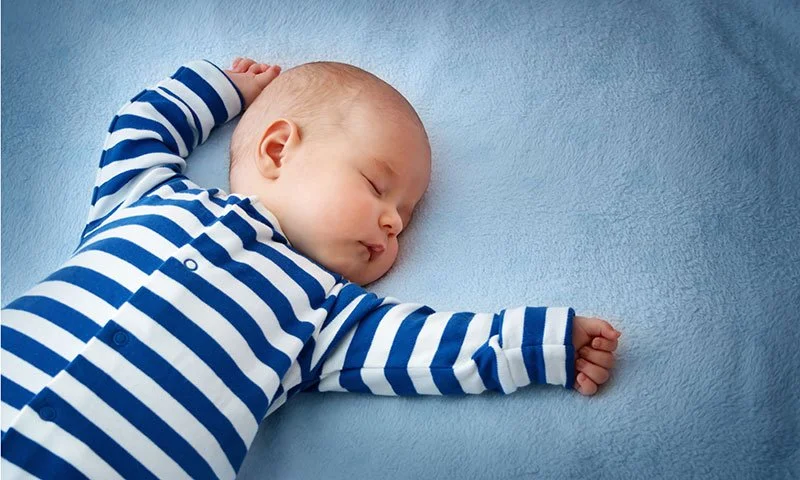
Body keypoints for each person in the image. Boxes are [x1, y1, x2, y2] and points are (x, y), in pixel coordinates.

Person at [0, 56, 621, 479]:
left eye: (405, 213)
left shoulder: (326, 313)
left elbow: (432, 349)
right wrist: (218, 87)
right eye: (379, 186)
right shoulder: (149, 197)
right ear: (277, 148)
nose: (396, 223)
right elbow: (140, 127)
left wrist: (543, 342)